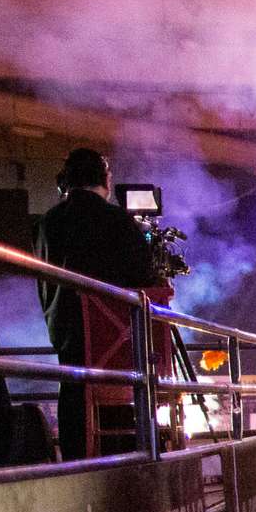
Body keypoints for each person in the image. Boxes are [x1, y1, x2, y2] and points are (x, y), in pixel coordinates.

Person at [35, 147, 158, 461]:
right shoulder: (117, 219)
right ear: (105, 178)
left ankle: (76, 460)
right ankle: (126, 454)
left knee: (73, 392)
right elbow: (145, 277)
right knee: (125, 390)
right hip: (116, 338)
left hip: (66, 332)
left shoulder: (49, 221)